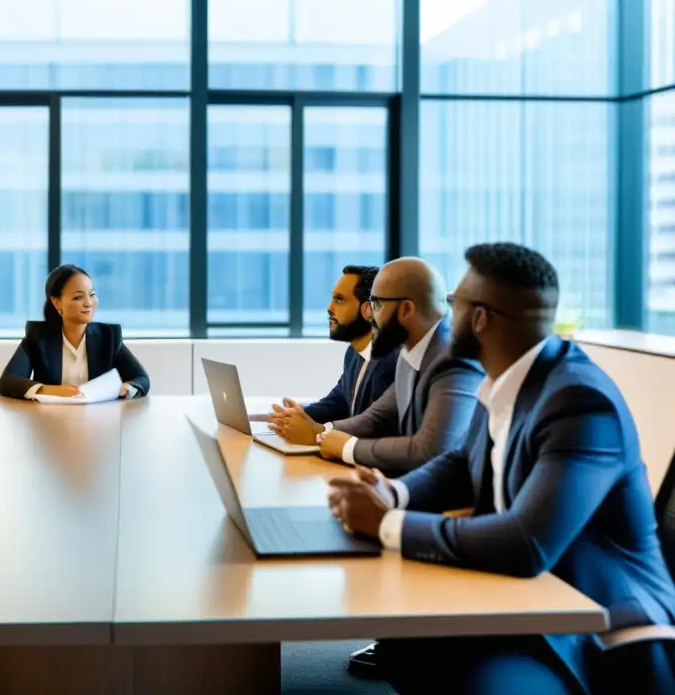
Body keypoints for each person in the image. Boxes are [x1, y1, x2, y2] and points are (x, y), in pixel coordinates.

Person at [328, 243, 675, 695]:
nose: (445, 315)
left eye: (455, 304)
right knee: (408, 645)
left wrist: (388, 524)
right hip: (531, 600)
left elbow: (526, 543)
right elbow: (456, 463)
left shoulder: (579, 401)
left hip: (596, 632)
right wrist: (394, 495)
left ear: (480, 319)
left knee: (463, 670)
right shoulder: (504, 380)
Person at [268, 257, 483, 475]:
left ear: (406, 309)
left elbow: (429, 451)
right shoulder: (413, 349)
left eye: (376, 304)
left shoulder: (454, 358)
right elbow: (377, 417)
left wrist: (344, 446)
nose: (369, 314)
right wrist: (320, 432)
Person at [251, 265, 398, 430]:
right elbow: (338, 403)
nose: (330, 307)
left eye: (339, 300)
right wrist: (294, 415)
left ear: (368, 309)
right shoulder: (354, 353)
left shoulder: (390, 361)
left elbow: (372, 427)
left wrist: (319, 431)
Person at [0, 264, 150, 400]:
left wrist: (128, 388)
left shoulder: (108, 336)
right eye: (78, 297)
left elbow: (141, 378)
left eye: (92, 295)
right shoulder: (38, 337)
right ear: (57, 303)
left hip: (98, 421)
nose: (88, 303)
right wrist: (52, 391)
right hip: (49, 420)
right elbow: (8, 381)